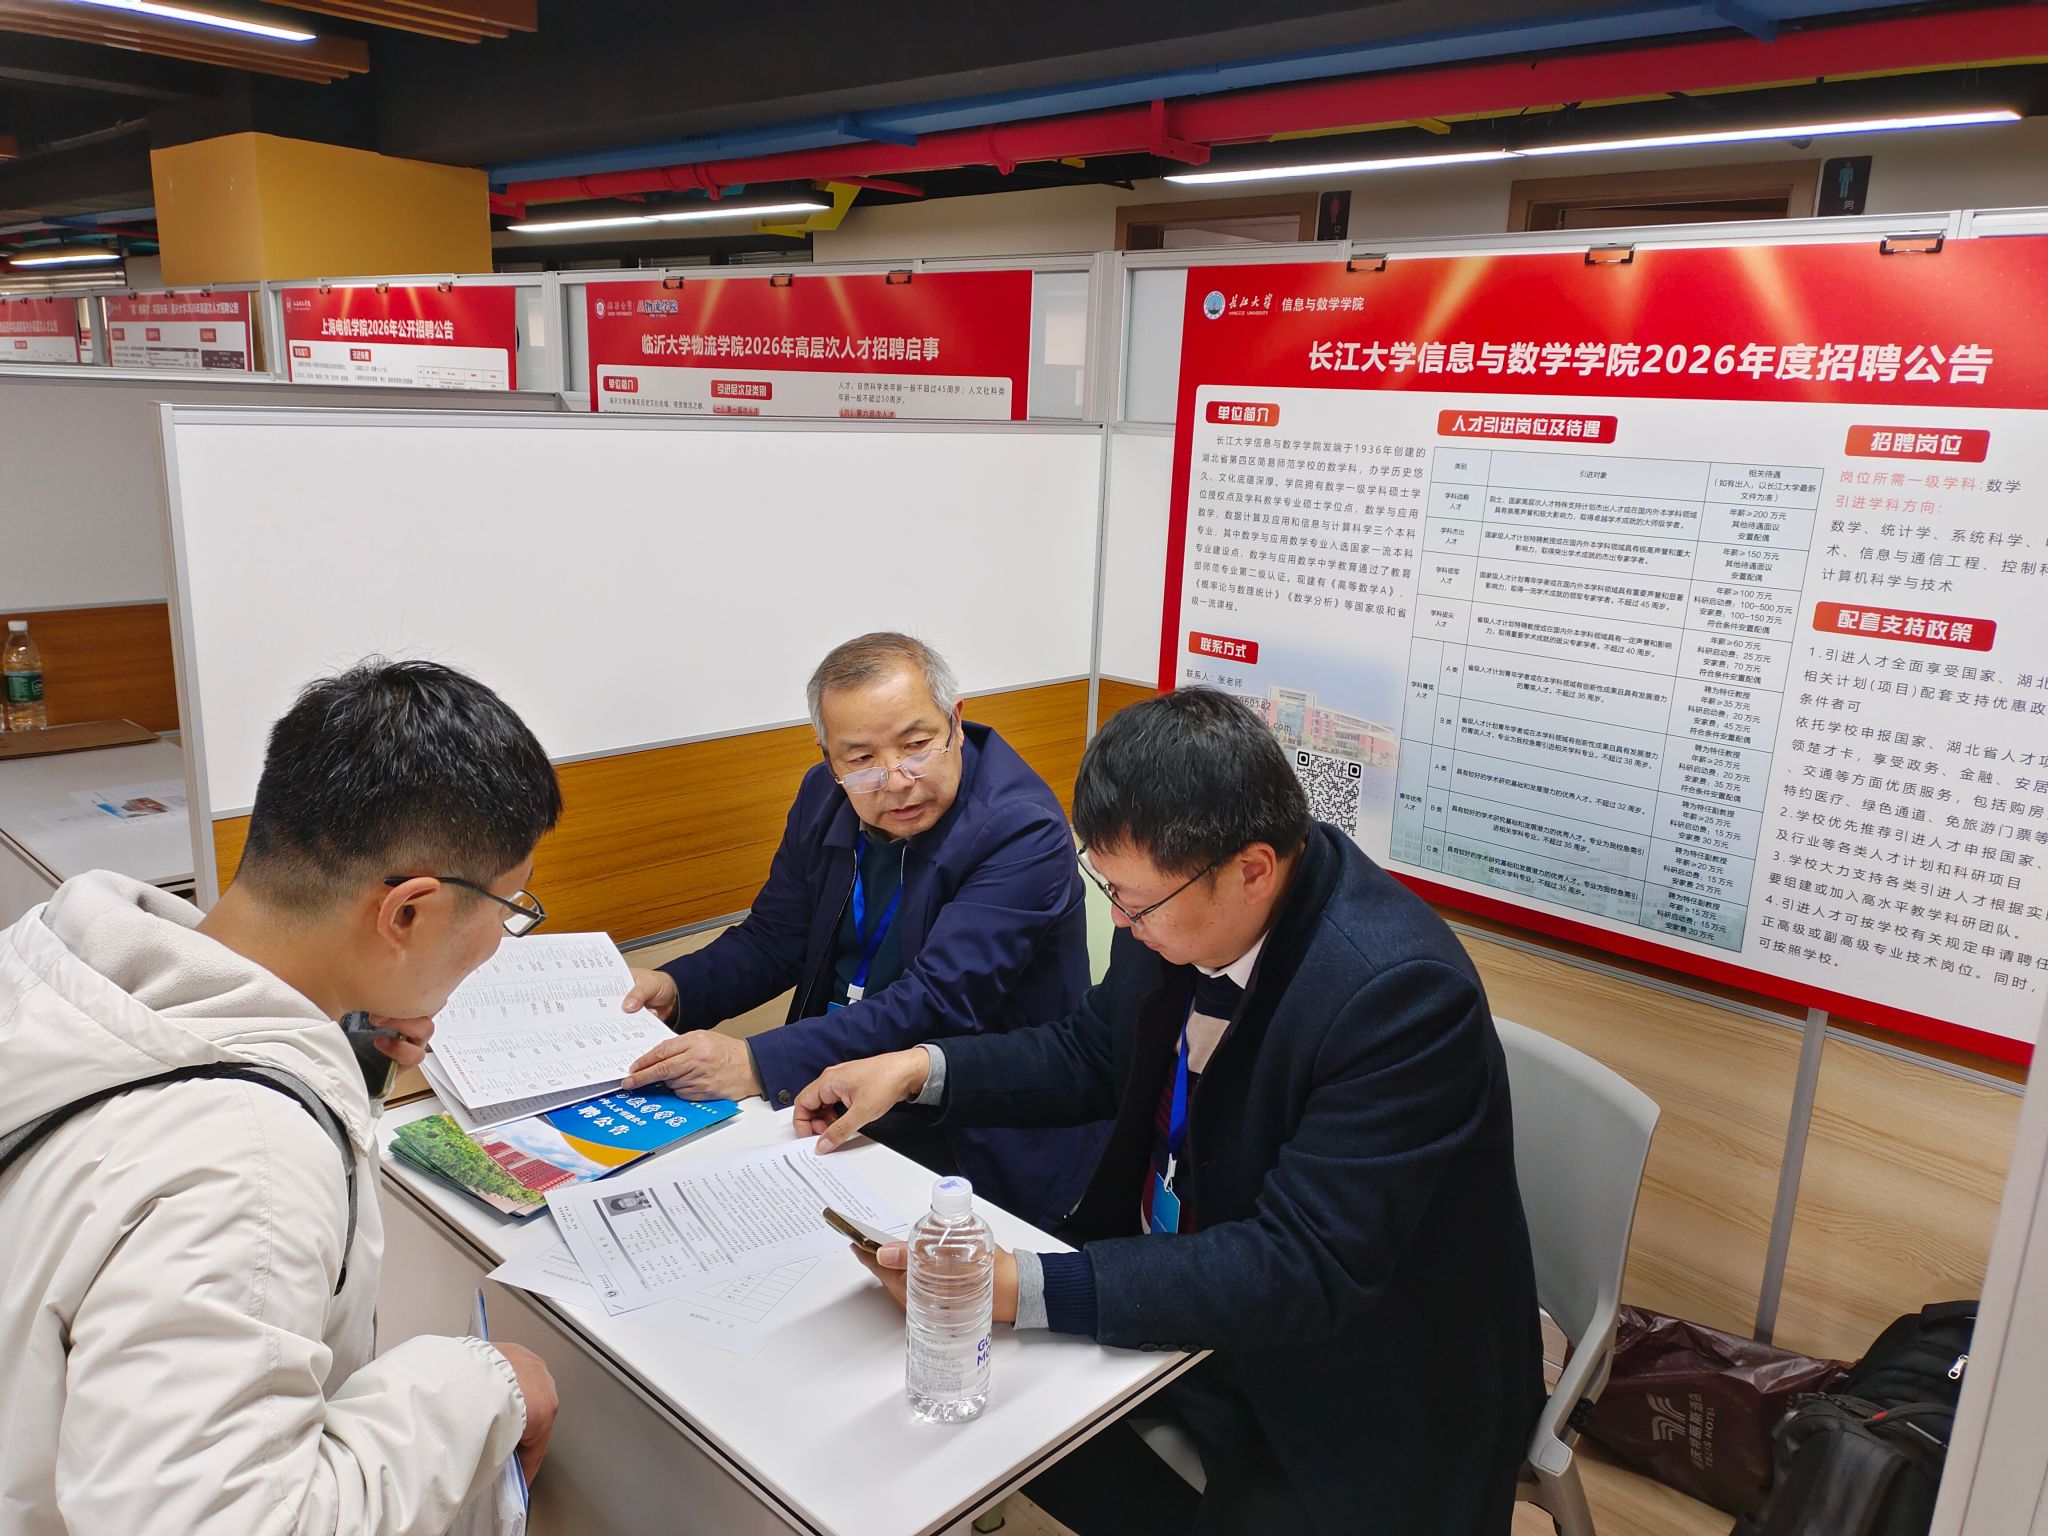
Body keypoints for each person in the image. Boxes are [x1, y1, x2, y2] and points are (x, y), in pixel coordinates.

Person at [794, 687, 1544, 1534]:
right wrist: (919, 1069)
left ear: (1253, 870)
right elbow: (1093, 1052)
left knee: (1033, 1422)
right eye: (1107, 887)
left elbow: (1303, 1264)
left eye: (1136, 902)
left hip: (1352, 1374)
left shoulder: (1396, 996)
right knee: (961, 1422)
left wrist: (1021, 1286)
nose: (1119, 921)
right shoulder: (1182, 909)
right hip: (1187, 1288)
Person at [0, 659, 565, 1535]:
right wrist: (483, 1388)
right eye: (508, 905)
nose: (503, 934)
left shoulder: (54, 962)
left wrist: (337, 1045)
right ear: (407, 912)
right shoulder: (249, 1159)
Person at [622, 632, 1105, 1228]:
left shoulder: (1020, 828)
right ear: (829, 758)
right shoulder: (822, 795)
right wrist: (677, 988)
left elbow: (938, 1001)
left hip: (970, 1125)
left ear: (956, 723)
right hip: (837, 1090)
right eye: (860, 759)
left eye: (916, 745)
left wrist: (757, 1061)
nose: (895, 779)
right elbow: (775, 936)